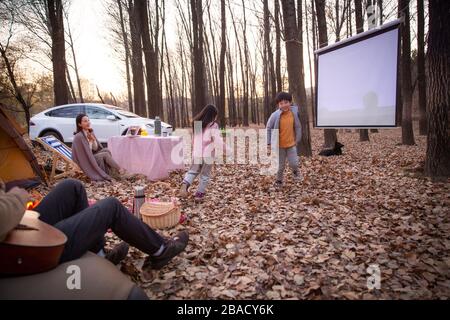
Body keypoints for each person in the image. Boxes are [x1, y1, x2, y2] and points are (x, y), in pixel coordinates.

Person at [0, 178, 189, 269]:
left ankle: (98, 254)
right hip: (16, 248)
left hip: (17, 226)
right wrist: (17, 196)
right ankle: (161, 251)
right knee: (111, 207)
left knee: (72, 187)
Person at [179, 104, 230, 202]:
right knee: (205, 175)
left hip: (197, 152)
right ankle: (199, 195)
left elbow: (194, 140)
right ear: (213, 115)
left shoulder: (197, 124)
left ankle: (185, 184)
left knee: (192, 171)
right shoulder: (213, 125)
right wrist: (227, 150)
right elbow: (218, 141)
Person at [72, 113, 125, 181]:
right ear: (79, 124)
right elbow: (86, 153)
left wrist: (93, 140)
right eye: (85, 121)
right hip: (87, 159)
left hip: (91, 155)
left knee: (106, 150)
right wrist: (90, 141)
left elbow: (95, 148)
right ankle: (120, 170)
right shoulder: (79, 136)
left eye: (88, 120)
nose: (88, 122)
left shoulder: (89, 131)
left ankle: (112, 172)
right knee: (105, 154)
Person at [266, 92, 302, 186]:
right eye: (281, 103)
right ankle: (279, 180)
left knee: (294, 163)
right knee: (280, 165)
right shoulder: (275, 115)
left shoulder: (294, 113)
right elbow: (268, 128)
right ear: (278, 105)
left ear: (290, 102)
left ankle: (295, 171)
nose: (284, 105)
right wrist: (269, 142)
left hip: (291, 144)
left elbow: (297, 126)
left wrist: (297, 138)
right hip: (279, 145)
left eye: (286, 102)